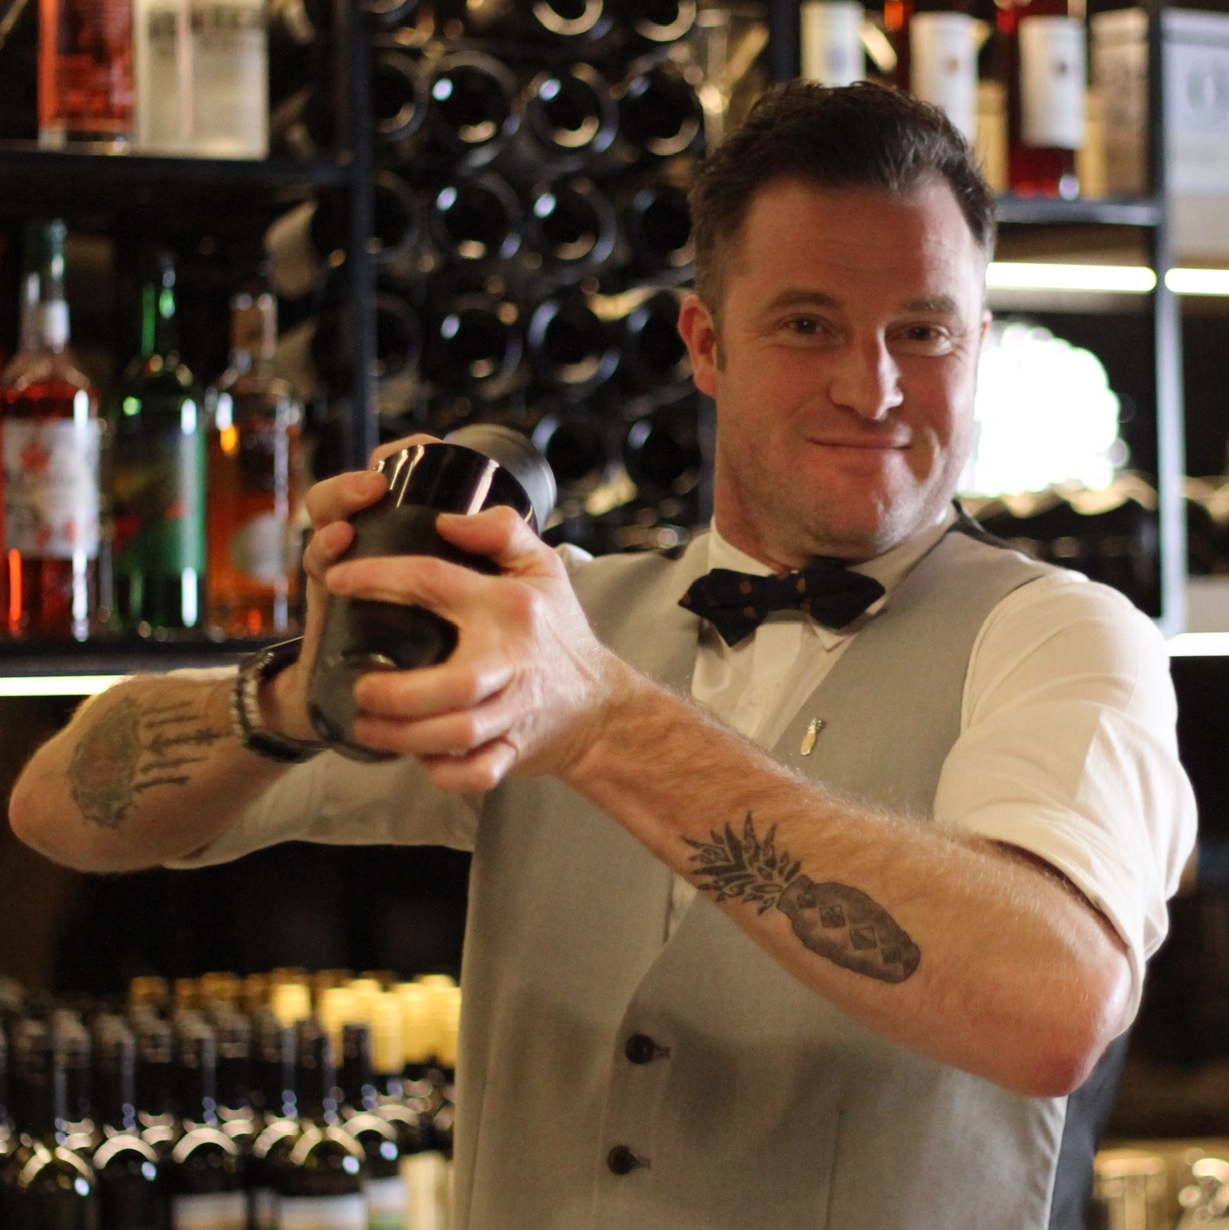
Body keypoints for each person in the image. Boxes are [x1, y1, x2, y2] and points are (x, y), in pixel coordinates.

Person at [10, 82, 1195, 1229]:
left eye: (921, 332)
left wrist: (604, 723)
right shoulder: (544, 623)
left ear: (975, 343)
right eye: (806, 325)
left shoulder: (1058, 639)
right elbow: (58, 806)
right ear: (704, 344)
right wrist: (297, 691)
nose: (869, 386)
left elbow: (1052, 1008)